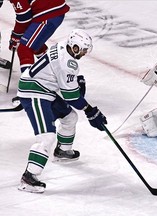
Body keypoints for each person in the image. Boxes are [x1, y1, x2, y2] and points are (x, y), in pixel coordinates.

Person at [17, 29, 108, 193]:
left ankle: (63, 151)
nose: (85, 53)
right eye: (83, 49)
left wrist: (74, 82)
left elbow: (61, 80)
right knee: (47, 137)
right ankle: (28, 178)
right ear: (73, 47)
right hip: (33, 91)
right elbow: (71, 97)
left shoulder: (62, 46)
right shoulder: (67, 64)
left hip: (44, 88)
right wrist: (90, 111)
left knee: (70, 117)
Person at [9, 0, 70, 73]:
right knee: (32, 42)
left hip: (48, 13)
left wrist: (16, 37)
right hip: (53, 9)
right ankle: (57, 72)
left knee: (24, 48)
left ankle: (27, 81)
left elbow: (24, 17)